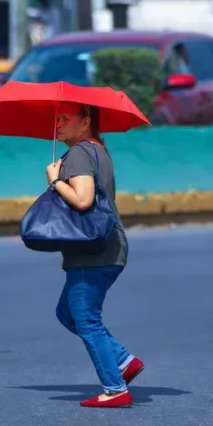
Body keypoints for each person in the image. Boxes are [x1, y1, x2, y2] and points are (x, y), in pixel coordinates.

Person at [44, 102, 145, 408]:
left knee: (86, 318)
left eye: (65, 118)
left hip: (94, 251)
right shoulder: (98, 149)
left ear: (85, 121)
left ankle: (115, 388)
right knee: (68, 313)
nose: (57, 124)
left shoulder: (78, 153)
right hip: (105, 247)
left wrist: (56, 181)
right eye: (56, 118)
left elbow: (84, 200)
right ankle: (123, 362)